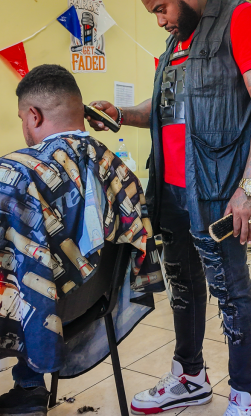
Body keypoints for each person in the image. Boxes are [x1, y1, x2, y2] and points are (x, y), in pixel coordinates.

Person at [87, 0, 251, 416]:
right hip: (170, 191)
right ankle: (191, 375)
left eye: (161, 9)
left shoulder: (244, 20)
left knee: (231, 293)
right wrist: (119, 115)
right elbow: (164, 114)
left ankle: (246, 396)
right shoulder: (178, 42)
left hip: (219, 192)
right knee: (182, 286)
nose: (159, 20)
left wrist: (250, 189)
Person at [0, 65, 163, 416]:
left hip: (41, 308)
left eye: (21, 119)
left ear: (34, 114)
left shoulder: (12, 175)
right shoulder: (120, 170)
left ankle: (29, 386)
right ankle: (28, 386)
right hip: (90, 303)